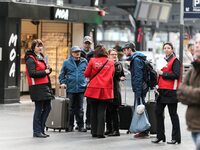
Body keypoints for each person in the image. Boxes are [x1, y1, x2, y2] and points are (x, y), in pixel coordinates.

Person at [152, 42, 181, 144]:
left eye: (168, 48)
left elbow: (176, 75)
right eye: (165, 48)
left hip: (171, 92)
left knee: (173, 114)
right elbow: (159, 75)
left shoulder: (175, 61)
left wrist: (163, 73)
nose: (166, 49)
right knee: (157, 112)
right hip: (161, 91)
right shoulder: (162, 60)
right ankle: (160, 136)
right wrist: (156, 84)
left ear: (172, 50)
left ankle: (176, 138)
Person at [25, 39, 54, 138]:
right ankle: (37, 131)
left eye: (41, 46)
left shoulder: (41, 57)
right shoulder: (30, 58)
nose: (40, 48)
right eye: (38, 46)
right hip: (37, 87)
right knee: (39, 108)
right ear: (33, 47)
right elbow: (32, 73)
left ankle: (41, 129)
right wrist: (45, 72)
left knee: (48, 107)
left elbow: (44, 71)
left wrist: (49, 70)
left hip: (45, 85)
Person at [84, 44, 115, 138]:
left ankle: (93, 132)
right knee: (102, 111)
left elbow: (86, 74)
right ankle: (100, 133)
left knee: (93, 110)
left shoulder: (92, 61)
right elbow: (112, 75)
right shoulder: (110, 62)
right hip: (105, 89)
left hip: (93, 88)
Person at [177, 34, 200, 150]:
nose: (197, 46)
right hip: (194, 126)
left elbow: (183, 90)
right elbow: (180, 93)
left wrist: (187, 92)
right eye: (196, 43)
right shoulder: (193, 69)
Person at [122, 42, 149, 138]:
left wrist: (137, 92)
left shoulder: (136, 60)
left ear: (130, 49)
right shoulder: (137, 58)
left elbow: (138, 77)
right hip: (142, 87)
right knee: (141, 107)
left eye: (125, 49)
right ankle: (143, 129)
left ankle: (144, 130)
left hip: (140, 88)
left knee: (140, 108)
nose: (124, 52)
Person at [59, 46, 87, 132]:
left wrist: (87, 82)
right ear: (72, 53)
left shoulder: (84, 61)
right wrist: (63, 82)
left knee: (80, 108)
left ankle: (80, 125)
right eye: (75, 52)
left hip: (81, 88)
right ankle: (70, 125)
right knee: (70, 108)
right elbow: (62, 75)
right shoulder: (67, 62)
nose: (77, 53)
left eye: (78, 51)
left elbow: (88, 73)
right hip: (70, 88)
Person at [105, 49, 125, 136]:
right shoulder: (107, 64)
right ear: (108, 55)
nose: (114, 56)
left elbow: (116, 74)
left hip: (115, 91)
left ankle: (116, 130)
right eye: (112, 54)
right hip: (107, 90)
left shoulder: (118, 64)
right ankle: (109, 129)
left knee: (114, 111)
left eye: (115, 54)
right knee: (107, 111)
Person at [81, 35, 93, 130]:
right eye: (86, 43)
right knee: (79, 103)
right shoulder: (78, 53)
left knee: (89, 103)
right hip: (81, 80)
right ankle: (80, 123)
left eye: (88, 43)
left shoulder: (93, 54)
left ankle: (88, 122)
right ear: (83, 43)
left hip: (90, 80)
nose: (87, 45)